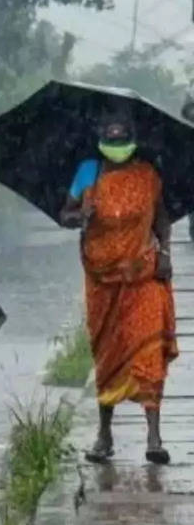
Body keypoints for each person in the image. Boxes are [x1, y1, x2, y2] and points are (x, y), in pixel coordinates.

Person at [59, 113, 178, 464]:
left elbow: (162, 218)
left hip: (143, 275)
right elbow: (64, 213)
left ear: (134, 141)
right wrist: (81, 217)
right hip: (101, 279)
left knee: (148, 352)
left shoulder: (147, 175)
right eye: (110, 141)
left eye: (122, 140)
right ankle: (104, 435)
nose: (117, 147)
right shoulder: (88, 173)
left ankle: (154, 437)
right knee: (107, 353)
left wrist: (166, 253)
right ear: (99, 142)